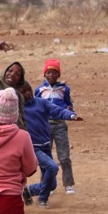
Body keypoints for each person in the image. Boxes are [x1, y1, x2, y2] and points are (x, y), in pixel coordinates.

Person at [19, 82, 81, 208]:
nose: (28, 94)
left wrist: (71, 115)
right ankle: (42, 200)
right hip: (33, 148)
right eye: (24, 92)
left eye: (29, 90)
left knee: (51, 184)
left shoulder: (41, 103)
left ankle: (28, 190)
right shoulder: (18, 110)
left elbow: (57, 111)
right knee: (53, 167)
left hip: (46, 146)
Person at [35, 59, 77, 195]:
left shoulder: (64, 89)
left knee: (64, 156)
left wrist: (70, 111)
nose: (51, 75)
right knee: (46, 157)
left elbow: (68, 104)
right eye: (48, 72)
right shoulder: (39, 90)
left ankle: (68, 184)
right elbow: (35, 105)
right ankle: (47, 184)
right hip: (44, 126)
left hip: (59, 124)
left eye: (54, 72)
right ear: (44, 74)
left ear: (58, 75)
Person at [0, 40, 27, 128]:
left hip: (13, 131)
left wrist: (24, 131)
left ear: (20, 79)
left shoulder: (19, 95)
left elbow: (21, 117)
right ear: (5, 71)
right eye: (10, 70)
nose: (12, 74)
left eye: (17, 74)